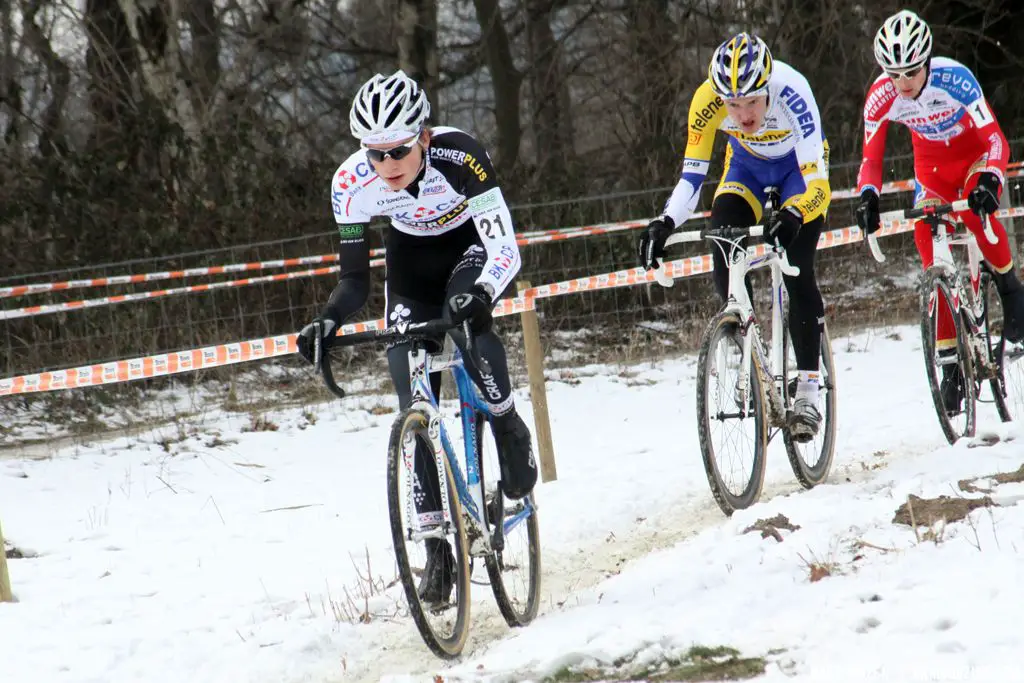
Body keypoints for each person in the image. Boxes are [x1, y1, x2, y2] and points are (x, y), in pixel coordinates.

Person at [295, 70, 537, 605]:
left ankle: (507, 424)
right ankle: (436, 549)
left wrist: (483, 293)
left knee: (465, 317)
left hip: (470, 250)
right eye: (374, 154)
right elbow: (356, 279)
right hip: (410, 266)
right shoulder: (349, 184)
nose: (386, 166)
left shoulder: (461, 156)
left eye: (399, 150)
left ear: (423, 136)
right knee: (413, 394)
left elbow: (506, 251)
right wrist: (330, 318)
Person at [637, 32, 831, 442]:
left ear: (767, 90)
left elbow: (819, 184)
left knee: (798, 269)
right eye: (734, 105)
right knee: (723, 243)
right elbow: (692, 178)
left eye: (752, 103)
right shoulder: (705, 101)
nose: (743, 115)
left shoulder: (793, 90)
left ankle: (810, 389)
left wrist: (795, 213)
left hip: (799, 171)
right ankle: (745, 340)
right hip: (745, 168)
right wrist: (665, 222)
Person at [855, 9, 1024, 415]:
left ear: (926, 61)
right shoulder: (881, 95)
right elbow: (871, 160)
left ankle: (1011, 291)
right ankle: (949, 363)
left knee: (975, 215)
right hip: (930, 170)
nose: (903, 83)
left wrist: (990, 181)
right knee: (930, 247)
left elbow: (997, 140)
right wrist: (867, 197)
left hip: (973, 159)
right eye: (894, 74)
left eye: (911, 72)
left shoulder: (955, 79)